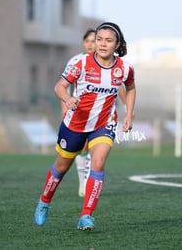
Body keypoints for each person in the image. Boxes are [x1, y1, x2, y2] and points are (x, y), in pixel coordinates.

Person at [34, 22, 136, 231]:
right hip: (75, 124)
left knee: (97, 163)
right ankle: (44, 201)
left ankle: (86, 216)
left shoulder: (125, 68)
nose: (102, 44)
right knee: (62, 167)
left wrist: (129, 114)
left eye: (108, 41)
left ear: (117, 44)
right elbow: (59, 86)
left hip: (104, 124)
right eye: (99, 39)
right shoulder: (81, 63)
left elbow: (131, 87)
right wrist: (67, 99)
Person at [61, 29, 127, 198]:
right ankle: (82, 180)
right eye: (89, 41)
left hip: (103, 116)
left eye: (94, 40)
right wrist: (65, 108)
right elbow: (65, 86)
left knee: (96, 149)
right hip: (79, 113)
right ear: (84, 43)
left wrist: (129, 109)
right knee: (78, 149)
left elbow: (119, 85)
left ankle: (87, 182)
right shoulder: (77, 61)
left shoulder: (111, 63)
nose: (92, 44)